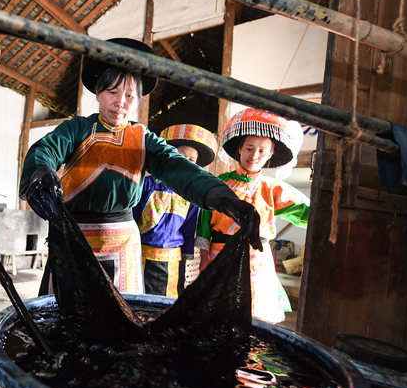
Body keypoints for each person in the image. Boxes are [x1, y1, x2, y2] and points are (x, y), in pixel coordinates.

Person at [19, 38, 260, 295]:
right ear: (98, 93)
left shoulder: (143, 139)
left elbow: (178, 167)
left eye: (130, 95)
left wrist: (224, 198)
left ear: (138, 100)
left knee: (120, 316)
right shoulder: (77, 128)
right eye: (112, 92)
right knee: (66, 312)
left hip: (122, 242)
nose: (120, 102)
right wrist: (41, 170)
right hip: (73, 235)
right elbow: (46, 149)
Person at [196, 108, 310, 324]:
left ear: (270, 156)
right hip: (218, 255)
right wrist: (203, 260)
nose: (254, 156)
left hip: (256, 262)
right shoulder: (218, 184)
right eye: (249, 148)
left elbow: (308, 212)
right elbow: (203, 226)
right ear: (239, 149)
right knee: (216, 317)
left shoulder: (273, 189)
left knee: (253, 318)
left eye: (261, 151)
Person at [132, 123, 218, 297]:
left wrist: (187, 253)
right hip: (141, 255)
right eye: (181, 156)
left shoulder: (191, 194)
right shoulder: (146, 185)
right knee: (138, 297)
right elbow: (132, 217)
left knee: (168, 301)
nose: (185, 163)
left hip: (173, 258)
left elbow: (189, 226)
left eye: (191, 160)